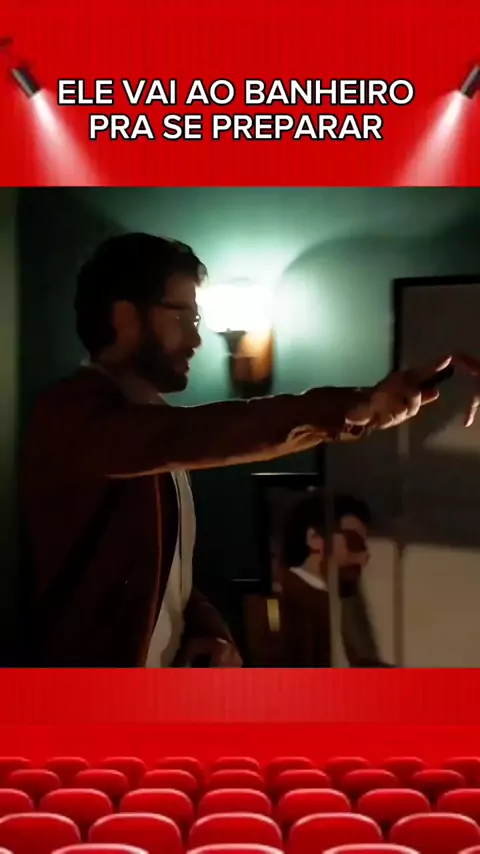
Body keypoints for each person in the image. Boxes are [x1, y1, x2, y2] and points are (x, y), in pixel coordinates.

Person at [19, 232, 454, 667]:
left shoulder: (152, 426)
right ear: (126, 317)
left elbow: (160, 575)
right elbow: (190, 435)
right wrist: (355, 406)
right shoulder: (69, 414)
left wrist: (208, 629)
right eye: (184, 317)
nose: (197, 339)